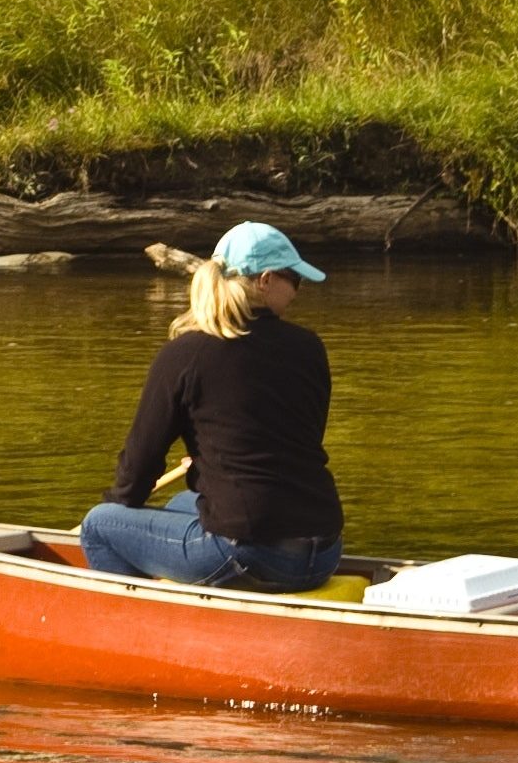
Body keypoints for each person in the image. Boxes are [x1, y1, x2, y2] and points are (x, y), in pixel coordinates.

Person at [78, 222, 345, 592]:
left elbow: (139, 465)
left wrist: (120, 506)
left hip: (252, 555)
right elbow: (293, 444)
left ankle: (148, 621)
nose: (297, 291)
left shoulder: (185, 354)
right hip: (324, 551)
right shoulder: (309, 347)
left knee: (98, 525)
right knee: (181, 502)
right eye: (295, 279)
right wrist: (211, 466)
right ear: (266, 280)